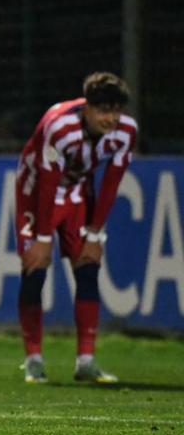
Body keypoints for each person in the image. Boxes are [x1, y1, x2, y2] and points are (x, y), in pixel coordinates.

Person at [15, 72, 137, 384]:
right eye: (103, 110)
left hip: (76, 193)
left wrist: (95, 233)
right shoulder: (59, 125)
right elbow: (46, 180)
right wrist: (42, 238)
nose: (110, 119)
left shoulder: (126, 132)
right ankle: (33, 359)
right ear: (87, 108)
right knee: (35, 269)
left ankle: (86, 360)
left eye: (115, 110)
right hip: (36, 192)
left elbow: (110, 182)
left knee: (88, 267)